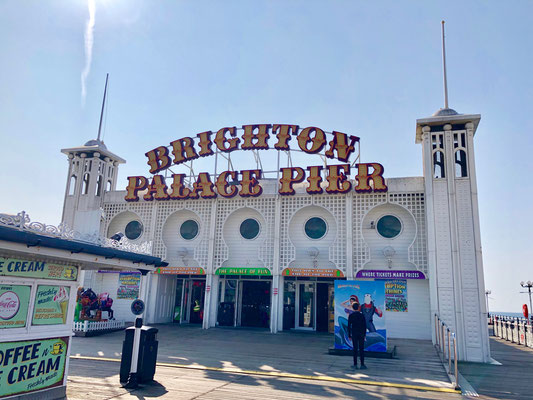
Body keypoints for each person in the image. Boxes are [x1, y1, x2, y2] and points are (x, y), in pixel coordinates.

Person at [348, 302, 367, 369]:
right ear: (359, 307)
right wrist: (364, 334)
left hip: (354, 333)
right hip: (361, 333)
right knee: (361, 349)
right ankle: (362, 364)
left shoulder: (351, 316)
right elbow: (364, 326)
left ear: (352, 307)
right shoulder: (362, 315)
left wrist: (349, 335)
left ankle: (355, 364)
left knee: (355, 349)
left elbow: (349, 326)